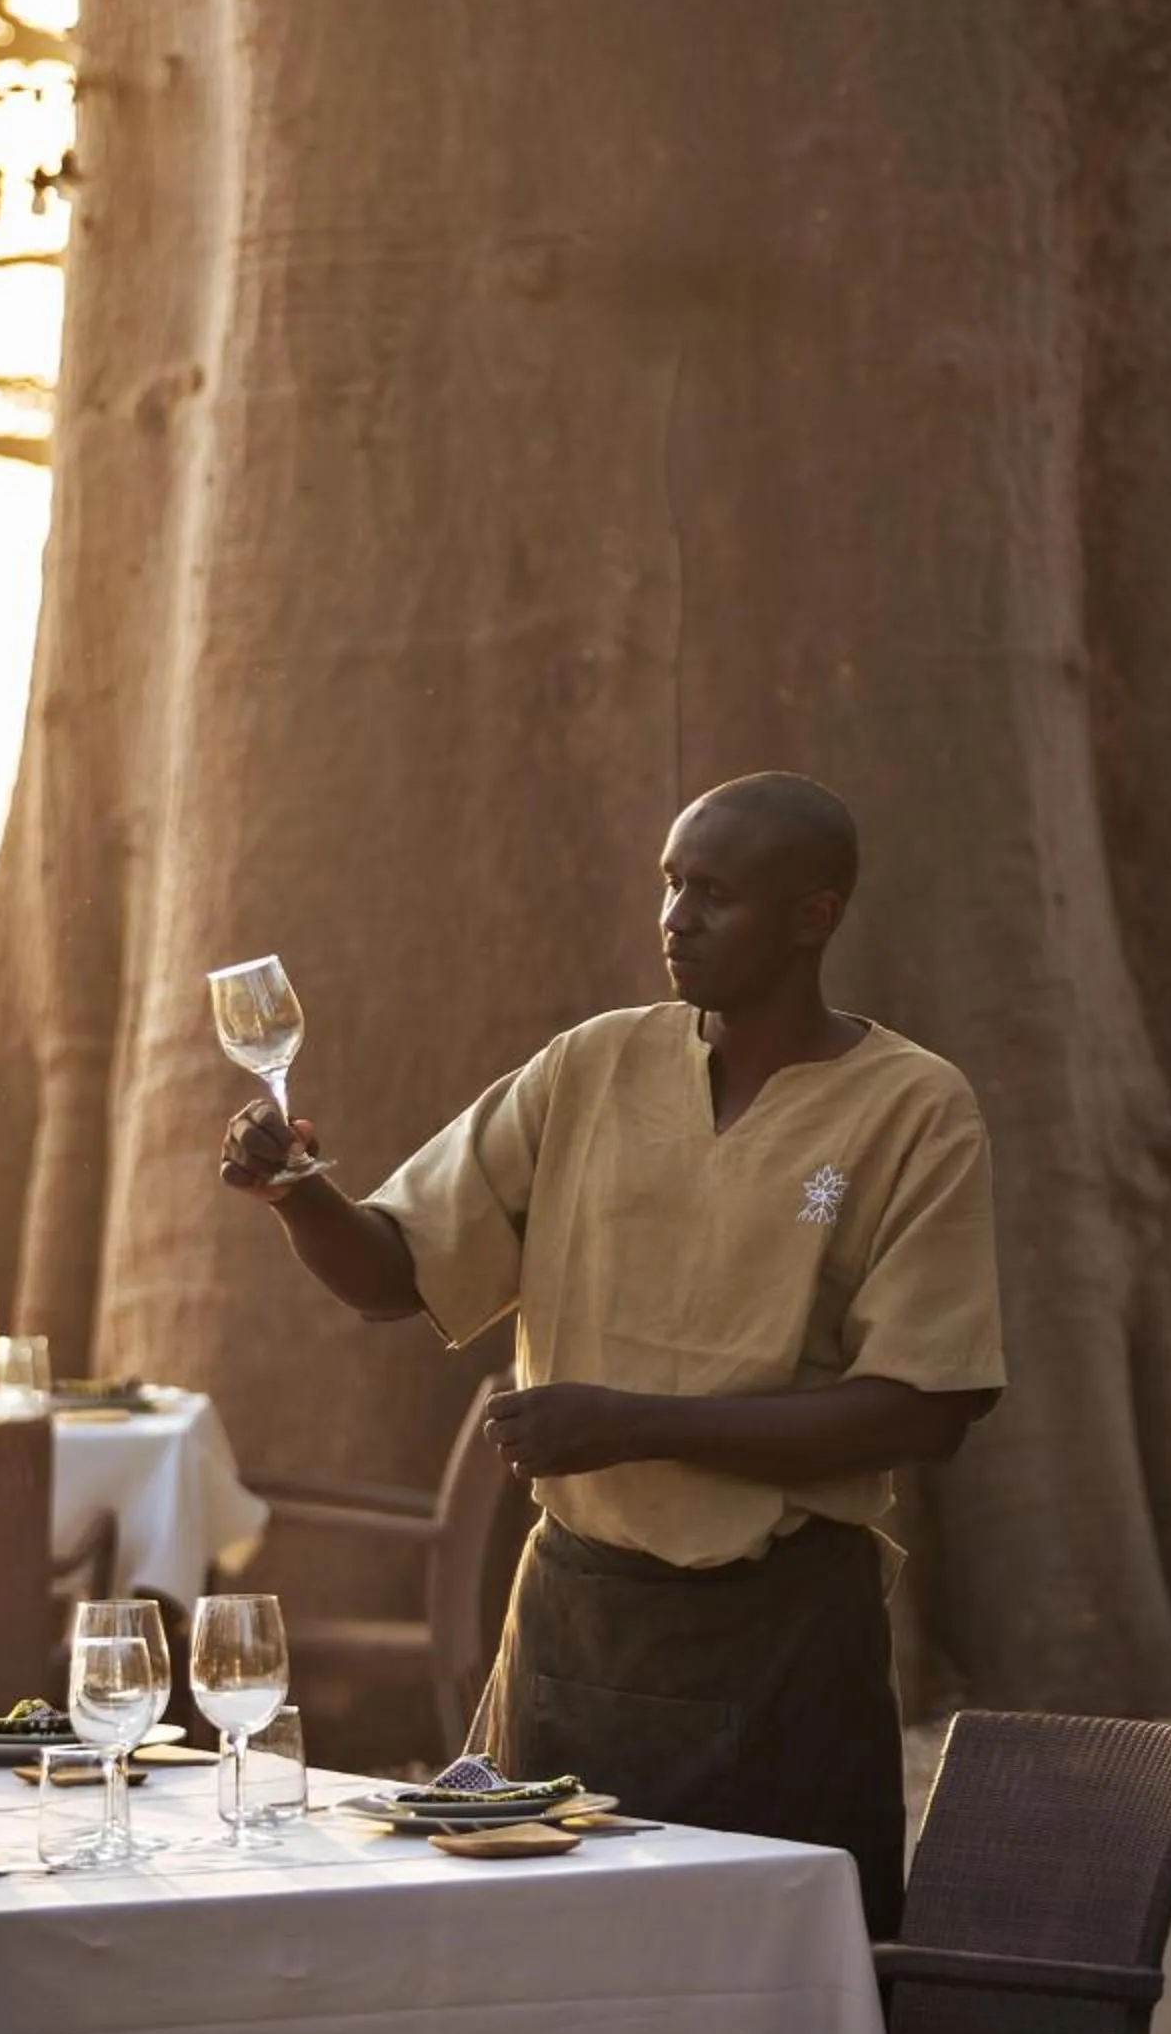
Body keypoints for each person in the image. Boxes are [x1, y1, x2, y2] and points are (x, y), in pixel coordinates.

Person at [218, 771, 1004, 1929]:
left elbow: (927, 1406)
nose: (676, 919)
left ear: (813, 914)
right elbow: (396, 1275)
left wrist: (631, 1425)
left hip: (783, 1634)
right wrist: (300, 1197)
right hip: (574, 1625)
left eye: (716, 894)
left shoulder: (913, 1109)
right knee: (537, 1971)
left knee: (771, 1988)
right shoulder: (593, 1065)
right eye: (671, 885)